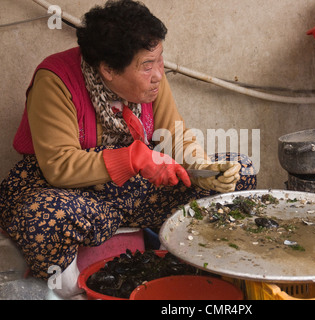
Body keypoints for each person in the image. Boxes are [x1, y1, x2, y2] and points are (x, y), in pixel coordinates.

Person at [0, 0, 256, 299]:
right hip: (75, 194)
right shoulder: (56, 80)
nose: (159, 73)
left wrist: (201, 168)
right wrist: (133, 158)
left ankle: (176, 265)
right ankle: (71, 290)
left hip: (136, 190)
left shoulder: (152, 83)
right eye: (147, 65)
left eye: (159, 59)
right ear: (108, 69)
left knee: (240, 171)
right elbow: (59, 165)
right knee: (42, 215)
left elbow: (172, 134)